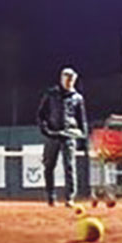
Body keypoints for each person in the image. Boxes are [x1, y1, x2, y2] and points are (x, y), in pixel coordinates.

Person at [37, 67, 87, 206]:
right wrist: (45, 130)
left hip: (69, 135)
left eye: (71, 79)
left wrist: (83, 138)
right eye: (67, 78)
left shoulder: (78, 98)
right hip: (52, 135)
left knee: (69, 166)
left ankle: (69, 198)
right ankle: (51, 197)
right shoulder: (51, 94)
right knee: (49, 166)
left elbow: (81, 119)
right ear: (61, 78)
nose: (69, 81)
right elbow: (41, 114)